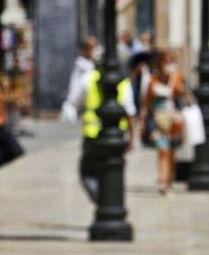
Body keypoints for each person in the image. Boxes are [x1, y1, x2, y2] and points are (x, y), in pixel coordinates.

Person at [66, 62, 137, 204]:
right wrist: (131, 138)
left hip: (92, 134)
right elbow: (130, 112)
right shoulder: (124, 83)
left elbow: (75, 100)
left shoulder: (88, 78)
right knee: (111, 171)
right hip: (117, 135)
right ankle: (109, 201)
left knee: (88, 172)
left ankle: (103, 200)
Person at [141, 50, 190, 195]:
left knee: (171, 152)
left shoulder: (177, 78)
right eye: (166, 61)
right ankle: (163, 181)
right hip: (158, 120)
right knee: (162, 151)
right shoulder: (153, 81)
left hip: (174, 120)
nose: (168, 64)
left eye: (171, 61)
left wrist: (179, 88)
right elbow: (146, 103)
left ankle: (169, 179)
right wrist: (143, 122)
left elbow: (186, 95)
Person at [61, 37, 98, 122]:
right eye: (92, 48)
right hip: (77, 108)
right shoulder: (82, 65)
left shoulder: (92, 65)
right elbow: (78, 92)